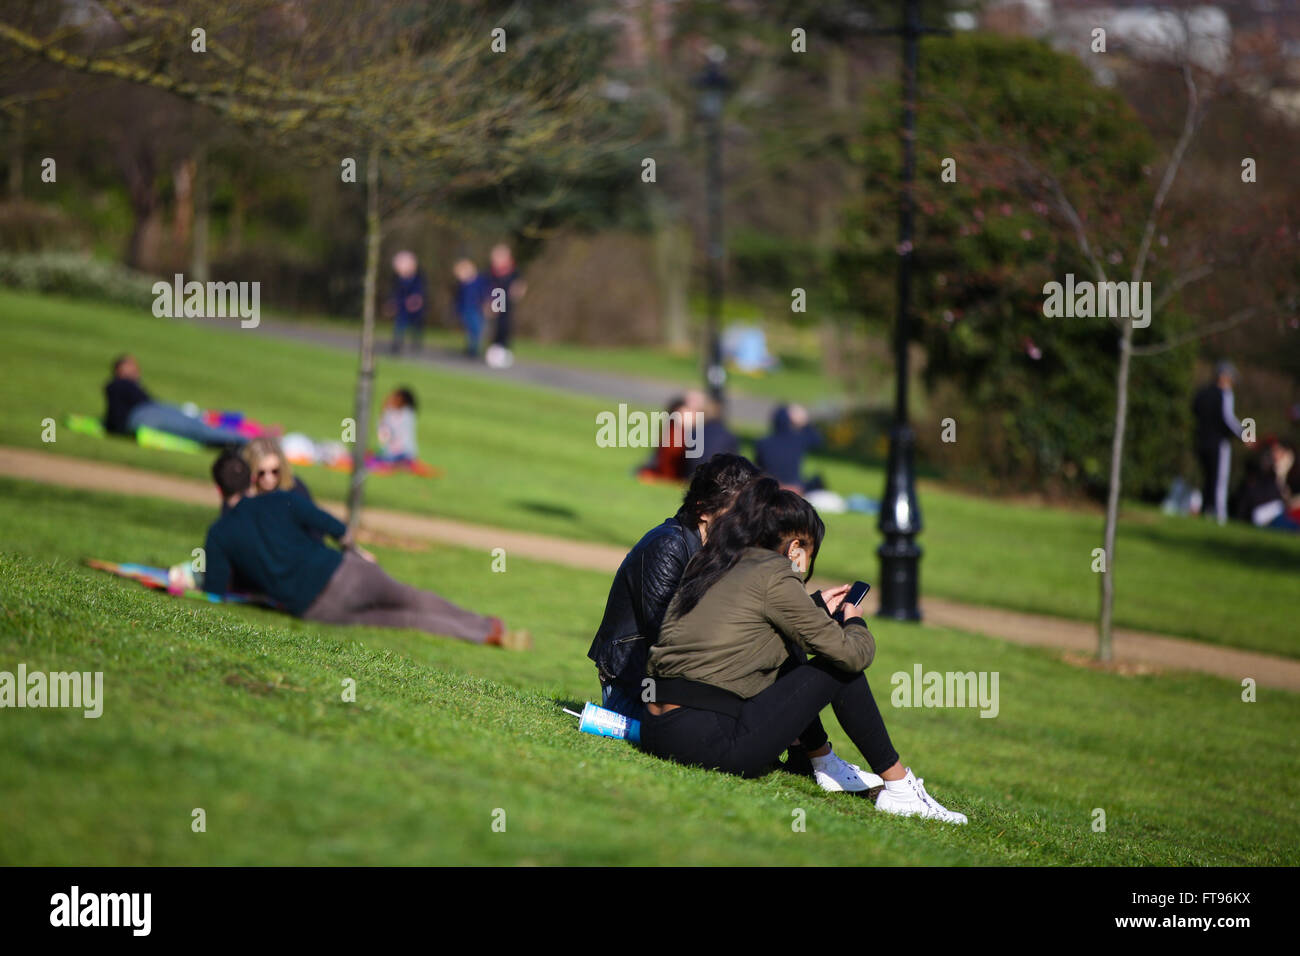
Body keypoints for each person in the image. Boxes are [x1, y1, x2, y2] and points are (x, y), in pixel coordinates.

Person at [641, 477, 968, 823]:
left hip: (658, 729)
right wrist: (853, 621)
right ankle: (900, 788)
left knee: (800, 647)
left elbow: (746, 631)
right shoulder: (775, 573)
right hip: (710, 742)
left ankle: (820, 761)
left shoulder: (714, 560)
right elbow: (851, 654)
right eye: (809, 554)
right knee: (838, 665)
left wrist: (812, 607)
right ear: (795, 547)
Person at [591, 454, 876, 794]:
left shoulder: (716, 551)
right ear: (703, 510)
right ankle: (820, 757)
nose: (752, 525)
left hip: (679, 692)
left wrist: (809, 609)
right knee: (786, 652)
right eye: (740, 513)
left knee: (782, 642)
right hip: (635, 694)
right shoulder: (669, 546)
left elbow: (729, 627)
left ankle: (815, 755)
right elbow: (676, 641)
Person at [203, 450, 529, 648]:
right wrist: (355, 549)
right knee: (411, 597)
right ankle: (485, 625)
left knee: (403, 619)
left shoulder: (219, 534)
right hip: (344, 572)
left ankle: (480, 635)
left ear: (218, 488)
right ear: (251, 479)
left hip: (314, 609)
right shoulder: (279, 499)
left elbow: (216, 592)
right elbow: (333, 525)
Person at [103, 354, 247, 447]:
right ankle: (242, 439)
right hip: (145, 415)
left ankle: (237, 426)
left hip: (152, 410)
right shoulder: (118, 385)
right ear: (121, 370)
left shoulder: (124, 386)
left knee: (195, 417)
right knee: (194, 425)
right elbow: (115, 419)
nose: (136, 370)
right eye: (131, 366)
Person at [1192, 361, 1245, 525]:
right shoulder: (1225, 394)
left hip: (1201, 441)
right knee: (1219, 479)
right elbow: (1228, 419)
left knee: (1208, 477)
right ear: (1223, 377)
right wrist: (1245, 434)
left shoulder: (1202, 393)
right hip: (1218, 442)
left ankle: (1207, 511)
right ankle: (1220, 516)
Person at [755, 403, 824, 494]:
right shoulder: (799, 440)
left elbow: (758, 467)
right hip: (796, 488)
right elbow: (818, 440)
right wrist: (805, 422)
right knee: (818, 480)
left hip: (771, 486)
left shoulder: (762, 442)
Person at [484, 243, 525, 369]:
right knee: (495, 326)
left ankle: (503, 350)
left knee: (504, 325)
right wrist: (489, 303)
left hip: (506, 301)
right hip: (497, 299)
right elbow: (487, 288)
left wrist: (519, 290)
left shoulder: (513, 271)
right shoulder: (491, 272)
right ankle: (493, 349)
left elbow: (520, 285)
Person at [390, 251, 427, 355]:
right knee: (399, 324)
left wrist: (416, 300)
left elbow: (420, 291)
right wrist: (393, 302)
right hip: (402, 307)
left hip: (415, 307)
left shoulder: (418, 278)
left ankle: (416, 343)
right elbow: (395, 293)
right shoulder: (397, 279)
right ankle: (397, 344)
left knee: (416, 326)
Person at [452, 258, 488, 358]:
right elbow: (458, 299)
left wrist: (486, 305)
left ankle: (475, 349)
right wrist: (456, 310)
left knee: (476, 329)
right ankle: (470, 348)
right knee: (469, 330)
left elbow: (485, 294)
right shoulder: (462, 285)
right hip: (465, 310)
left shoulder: (480, 282)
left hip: (476, 310)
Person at [375, 387, 418, 462]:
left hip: (402, 452)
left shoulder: (406, 415)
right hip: (394, 452)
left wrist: (384, 409)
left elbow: (386, 435)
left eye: (394, 397)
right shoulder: (390, 414)